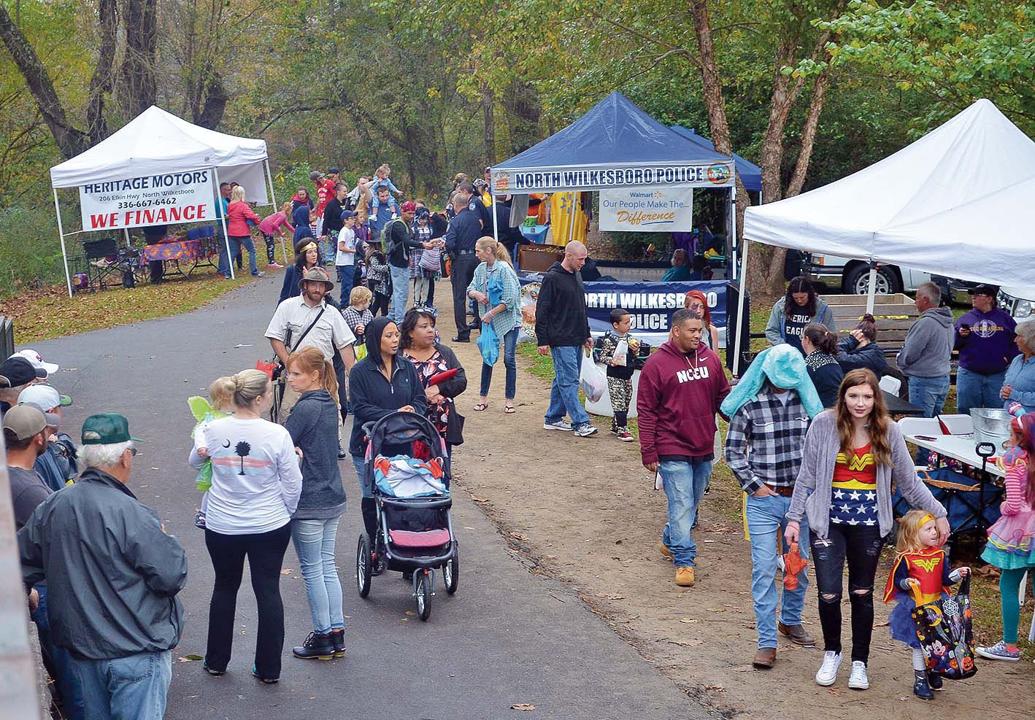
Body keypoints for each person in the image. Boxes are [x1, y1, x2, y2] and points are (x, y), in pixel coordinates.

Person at [785, 369, 949, 690]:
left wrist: (938, 513)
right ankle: (832, 652)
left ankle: (860, 662)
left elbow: (909, 483)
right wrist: (793, 519)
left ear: (876, 399)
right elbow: (806, 477)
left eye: (867, 396)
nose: (860, 403)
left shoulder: (888, 431)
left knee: (861, 593)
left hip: (869, 525)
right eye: (854, 396)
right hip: (828, 523)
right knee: (829, 592)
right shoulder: (823, 424)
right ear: (843, 397)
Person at [20, 413, 187, 717]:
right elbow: (170, 576)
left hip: (83, 650)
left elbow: (18, 562)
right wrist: (166, 540)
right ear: (125, 457)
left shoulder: (53, 506)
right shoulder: (133, 513)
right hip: (135, 648)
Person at [189, 371, 300, 683]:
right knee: (267, 589)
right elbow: (293, 482)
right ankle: (268, 668)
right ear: (261, 398)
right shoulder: (277, 434)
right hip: (269, 523)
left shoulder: (212, 428)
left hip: (223, 523)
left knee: (224, 587)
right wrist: (285, 511)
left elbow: (194, 462)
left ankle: (216, 660)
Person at [722, 345, 824, 669]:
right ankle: (766, 642)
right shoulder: (749, 406)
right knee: (764, 569)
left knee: (799, 565)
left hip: (800, 500)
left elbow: (819, 448)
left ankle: (790, 620)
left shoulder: (806, 405)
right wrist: (756, 487)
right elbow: (733, 452)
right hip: (764, 501)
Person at [638, 310, 730, 586]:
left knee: (692, 501)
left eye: (699, 331)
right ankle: (685, 560)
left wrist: (739, 418)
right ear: (676, 331)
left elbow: (722, 396)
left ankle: (670, 540)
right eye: (691, 331)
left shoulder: (711, 359)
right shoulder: (657, 364)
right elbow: (646, 410)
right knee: (681, 503)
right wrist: (649, 450)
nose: (697, 336)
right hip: (672, 444)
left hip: (702, 443)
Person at [5, 404, 83, 718]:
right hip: (43, 586)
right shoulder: (29, 491)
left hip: (26, 581)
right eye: (47, 432)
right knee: (74, 674)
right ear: (39, 438)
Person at [282, 348, 348, 661]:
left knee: (312, 571)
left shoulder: (306, 408)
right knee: (326, 565)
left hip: (310, 498)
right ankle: (336, 631)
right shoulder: (328, 402)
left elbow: (281, 443)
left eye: (296, 373)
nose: (290, 378)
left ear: (315, 375)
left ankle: (322, 634)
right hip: (332, 493)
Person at [347, 317, 427, 548]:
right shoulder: (361, 371)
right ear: (375, 339)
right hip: (369, 444)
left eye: (396, 335)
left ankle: (402, 542)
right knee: (372, 495)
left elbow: (419, 397)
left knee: (401, 494)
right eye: (388, 336)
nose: (395, 340)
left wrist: (413, 410)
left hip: (403, 442)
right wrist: (394, 413)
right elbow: (360, 407)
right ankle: (375, 544)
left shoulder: (406, 367)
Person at [883, 510, 970, 699]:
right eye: (928, 529)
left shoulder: (939, 555)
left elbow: (945, 579)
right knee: (919, 644)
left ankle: (933, 670)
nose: (934, 532)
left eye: (934, 528)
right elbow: (898, 581)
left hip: (938, 606)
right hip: (916, 607)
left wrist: (958, 574)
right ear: (913, 534)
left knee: (939, 641)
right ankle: (920, 679)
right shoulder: (906, 558)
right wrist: (907, 583)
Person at [975, 410, 1035, 662]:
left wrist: (1001, 509)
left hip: (1020, 531)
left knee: (1009, 585)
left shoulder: (1014, 459)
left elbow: (1012, 504)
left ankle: (1009, 646)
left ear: (1016, 436)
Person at [266, 266, 357, 420]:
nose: (317, 289)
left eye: (321, 285)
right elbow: (275, 337)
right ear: (305, 285)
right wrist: (289, 363)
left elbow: (345, 345)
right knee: (291, 417)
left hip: (325, 374)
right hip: (296, 374)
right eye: (314, 284)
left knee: (330, 419)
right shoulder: (287, 306)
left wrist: (354, 376)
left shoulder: (332, 313)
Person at [535, 241, 597, 437]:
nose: (584, 263)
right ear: (568, 256)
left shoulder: (577, 276)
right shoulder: (552, 278)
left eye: (585, 258)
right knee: (569, 380)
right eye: (581, 259)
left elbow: (581, 307)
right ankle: (581, 422)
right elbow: (542, 310)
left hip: (576, 337)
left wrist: (586, 333)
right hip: (560, 339)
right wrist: (542, 339)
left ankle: (553, 417)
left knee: (562, 378)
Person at [401, 308, 468, 454]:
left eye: (432, 325)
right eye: (424, 326)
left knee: (441, 470)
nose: (430, 330)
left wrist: (440, 387)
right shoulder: (399, 356)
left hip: (441, 425)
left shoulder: (444, 353)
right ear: (410, 332)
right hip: (408, 425)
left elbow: (461, 380)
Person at [468, 237, 521, 414]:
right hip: (488, 321)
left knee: (509, 359)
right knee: (487, 357)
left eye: (478, 250)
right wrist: (476, 294)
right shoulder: (480, 269)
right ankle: (483, 398)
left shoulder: (505, 269)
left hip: (507, 321)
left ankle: (509, 400)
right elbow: (470, 288)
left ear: (488, 251)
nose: (476, 254)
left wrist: (491, 313)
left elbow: (511, 300)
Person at [953, 284, 1018, 414]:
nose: (973, 298)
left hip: (997, 374)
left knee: (996, 413)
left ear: (989, 299)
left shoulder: (1005, 319)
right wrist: (961, 336)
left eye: (977, 295)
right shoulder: (966, 319)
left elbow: (1017, 341)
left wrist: (1009, 358)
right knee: (966, 411)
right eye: (973, 295)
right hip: (970, 373)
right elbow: (954, 344)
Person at [897, 282, 953, 418]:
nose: (915, 302)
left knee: (921, 426)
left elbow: (910, 353)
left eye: (917, 298)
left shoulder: (926, 323)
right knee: (935, 424)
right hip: (942, 378)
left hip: (924, 380)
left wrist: (901, 360)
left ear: (925, 300)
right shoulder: (948, 322)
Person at [188, 379, 234, 529]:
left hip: (219, 455)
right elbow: (201, 431)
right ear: (224, 399)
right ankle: (204, 513)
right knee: (213, 483)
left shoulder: (234, 415)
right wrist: (201, 447)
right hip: (205, 452)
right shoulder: (212, 416)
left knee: (213, 484)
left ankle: (205, 512)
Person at [18, 384, 77, 492]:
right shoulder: (41, 450)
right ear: (52, 412)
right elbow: (65, 472)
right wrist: (57, 448)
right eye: (60, 408)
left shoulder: (17, 441)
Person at [593, 308, 641, 441]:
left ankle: (616, 424)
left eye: (629, 322)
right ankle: (622, 429)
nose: (628, 325)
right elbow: (601, 356)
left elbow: (635, 357)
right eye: (626, 323)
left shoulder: (631, 339)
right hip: (614, 376)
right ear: (616, 325)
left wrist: (636, 350)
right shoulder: (609, 340)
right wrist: (611, 361)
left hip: (627, 375)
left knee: (626, 400)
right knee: (618, 401)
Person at [443, 193, 483, 342]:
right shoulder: (476, 220)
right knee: (478, 294)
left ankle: (463, 333)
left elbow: (450, 243)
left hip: (460, 259)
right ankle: (482, 328)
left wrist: (451, 255)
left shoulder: (455, 221)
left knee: (459, 297)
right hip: (476, 257)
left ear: (455, 205)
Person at [765, 276, 836, 355]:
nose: (799, 300)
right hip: (787, 355)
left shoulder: (822, 309)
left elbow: (830, 334)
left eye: (803, 297)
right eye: (795, 298)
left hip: (813, 355)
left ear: (809, 294)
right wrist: (783, 347)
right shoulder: (780, 306)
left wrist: (817, 350)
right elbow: (771, 331)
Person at [386, 201, 430, 323]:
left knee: (398, 291)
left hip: (401, 261)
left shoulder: (405, 224)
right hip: (397, 263)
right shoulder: (399, 225)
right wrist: (423, 245)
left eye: (413, 213)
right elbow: (407, 241)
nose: (411, 216)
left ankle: (393, 315)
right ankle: (399, 320)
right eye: (409, 213)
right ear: (402, 212)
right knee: (402, 293)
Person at [802, 323, 844, 408]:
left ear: (807, 339)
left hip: (819, 414)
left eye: (802, 337)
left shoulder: (809, 365)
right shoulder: (834, 363)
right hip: (839, 410)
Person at [226, 185, 264, 277]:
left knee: (233, 252)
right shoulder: (243, 205)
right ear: (241, 194)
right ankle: (254, 271)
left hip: (232, 231)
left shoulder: (230, 205)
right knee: (251, 251)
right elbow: (251, 216)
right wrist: (257, 219)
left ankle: (228, 273)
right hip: (242, 231)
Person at [1001, 319, 1035, 413]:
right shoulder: (1017, 360)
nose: (1015, 340)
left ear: (1031, 340)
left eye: (1019, 336)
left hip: (1029, 423)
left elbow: (1013, 393)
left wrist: (1015, 395)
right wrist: (1004, 392)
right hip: (1009, 419)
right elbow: (1006, 384)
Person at [279, 239, 321, 305]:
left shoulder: (320, 270)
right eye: (310, 252)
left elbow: (323, 294)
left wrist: (309, 279)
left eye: (315, 252)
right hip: (296, 306)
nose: (314, 255)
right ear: (303, 255)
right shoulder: (292, 270)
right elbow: (285, 293)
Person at [258, 201, 294, 269]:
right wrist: (280, 233)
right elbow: (275, 224)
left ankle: (271, 261)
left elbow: (287, 225)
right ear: (289, 210)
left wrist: (295, 231)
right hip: (266, 228)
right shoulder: (283, 216)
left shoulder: (282, 214)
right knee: (271, 245)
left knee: (270, 244)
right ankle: (271, 262)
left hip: (263, 225)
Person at [335, 210, 358, 306]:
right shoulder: (344, 231)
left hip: (350, 260)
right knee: (347, 285)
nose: (354, 220)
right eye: (351, 218)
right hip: (344, 262)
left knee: (351, 283)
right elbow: (341, 247)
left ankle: (348, 302)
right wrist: (353, 251)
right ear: (345, 220)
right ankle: (344, 304)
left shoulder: (351, 231)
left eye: (354, 218)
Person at [323, 183, 348, 267]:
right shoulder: (331, 204)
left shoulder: (347, 202)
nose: (345, 193)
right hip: (334, 231)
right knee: (337, 250)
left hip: (345, 230)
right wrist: (324, 233)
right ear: (338, 192)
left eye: (346, 191)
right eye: (344, 191)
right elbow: (326, 219)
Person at [365, 244, 391, 317]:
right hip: (377, 280)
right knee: (381, 298)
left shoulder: (370, 254)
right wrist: (388, 267)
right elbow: (376, 267)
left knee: (377, 299)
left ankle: (372, 315)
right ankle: (383, 314)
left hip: (374, 279)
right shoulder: (376, 255)